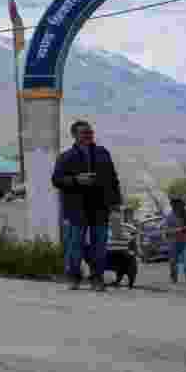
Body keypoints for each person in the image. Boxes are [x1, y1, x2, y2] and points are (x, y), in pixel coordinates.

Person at [51, 119, 122, 291]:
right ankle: (73, 276)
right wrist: (76, 180)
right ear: (74, 135)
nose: (89, 135)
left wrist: (115, 202)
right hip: (76, 208)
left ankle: (97, 277)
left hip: (100, 207)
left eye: (90, 132)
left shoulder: (103, 153)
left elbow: (113, 179)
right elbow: (56, 180)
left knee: (100, 245)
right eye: (84, 132)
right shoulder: (66, 157)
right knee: (75, 245)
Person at [163, 197, 186, 284]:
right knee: (173, 261)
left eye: (180, 205)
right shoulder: (169, 216)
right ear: (173, 205)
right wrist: (179, 230)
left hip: (185, 241)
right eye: (175, 205)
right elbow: (166, 231)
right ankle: (173, 277)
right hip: (173, 242)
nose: (178, 207)